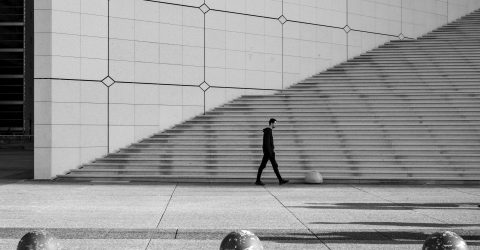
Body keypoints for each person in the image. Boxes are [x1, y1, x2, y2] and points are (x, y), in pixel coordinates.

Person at [255, 118, 289, 186]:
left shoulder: (269, 130)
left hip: (269, 152)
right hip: (268, 153)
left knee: (274, 166)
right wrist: (270, 153)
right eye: (275, 123)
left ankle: (280, 180)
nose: (275, 125)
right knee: (263, 166)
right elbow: (266, 143)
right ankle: (258, 181)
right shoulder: (268, 131)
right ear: (271, 123)